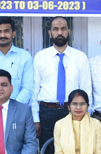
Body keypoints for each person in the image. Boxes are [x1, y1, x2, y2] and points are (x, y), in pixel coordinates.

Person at [32, 16, 92, 145]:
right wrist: (36, 119)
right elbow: (34, 90)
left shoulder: (80, 57)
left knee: (73, 152)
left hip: (73, 111)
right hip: (46, 113)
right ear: (50, 33)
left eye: (63, 29)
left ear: (69, 32)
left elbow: (87, 91)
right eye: (56, 29)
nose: (59, 32)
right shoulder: (40, 57)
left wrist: (86, 116)